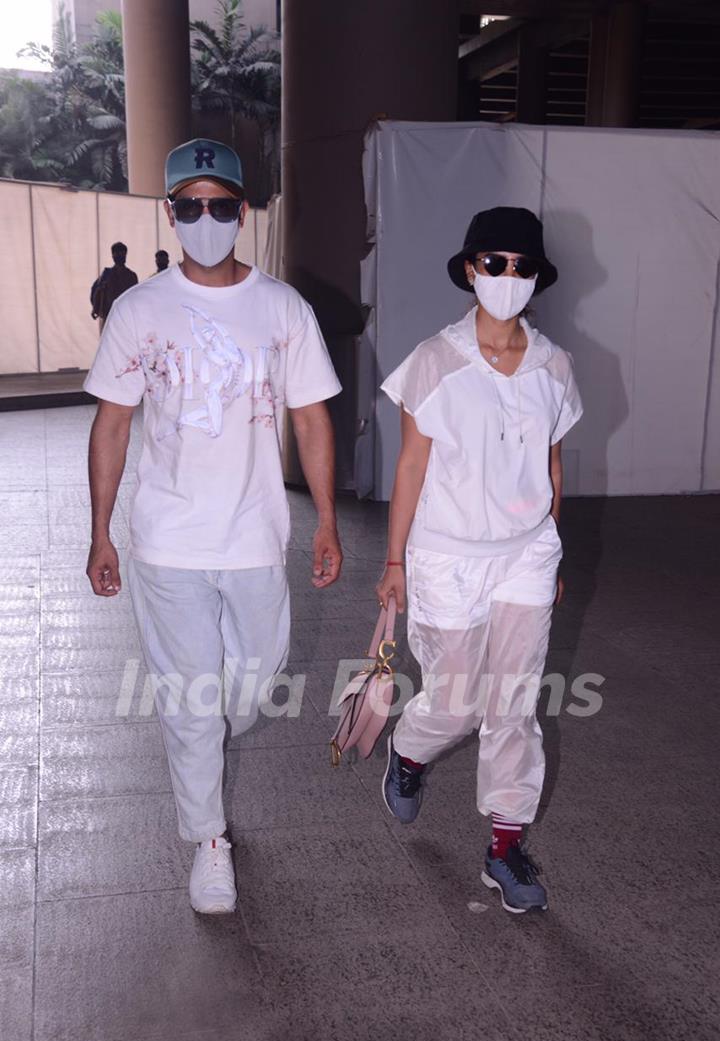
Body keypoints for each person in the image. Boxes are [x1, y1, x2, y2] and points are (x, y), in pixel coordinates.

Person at [83, 138, 343, 915]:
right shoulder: (139, 309)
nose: (205, 219)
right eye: (189, 206)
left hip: (256, 534)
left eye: (220, 206)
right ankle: (209, 842)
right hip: (167, 539)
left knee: (256, 679)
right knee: (192, 699)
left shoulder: (283, 308)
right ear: (170, 213)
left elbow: (313, 419)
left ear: (243, 210)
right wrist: (101, 530)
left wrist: (328, 518)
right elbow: (112, 428)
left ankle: (203, 735)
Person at [376, 206, 583, 915]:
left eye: (522, 266)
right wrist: (395, 561)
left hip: (525, 554)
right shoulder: (434, 361)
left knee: (514, 704)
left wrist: (552, 549)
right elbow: (410, 465)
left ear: (537, 278)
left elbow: (553, 466)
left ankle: (504, 846)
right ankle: (408, 752)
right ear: (470, 269)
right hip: (445, 556)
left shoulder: (556, 366)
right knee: (458, 702)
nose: (508, 277)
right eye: (494, 263)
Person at [90, 242, 138, 333]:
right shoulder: (106, 274)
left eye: (122, 253)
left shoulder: (131, 276)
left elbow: (136, 298)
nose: (120, 256)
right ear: (112, 256)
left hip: (126, 318)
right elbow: (96, 292)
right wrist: (96, 308)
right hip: (109, 316)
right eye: (117, 253)